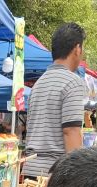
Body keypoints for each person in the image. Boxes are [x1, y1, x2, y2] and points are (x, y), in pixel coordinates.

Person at [22, 23, 86, 178]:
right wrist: (76, 178)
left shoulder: (39, 83)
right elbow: (71, 131)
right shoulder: (73, 82)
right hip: (54, 176)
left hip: (30, 169)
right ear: (77, 49)